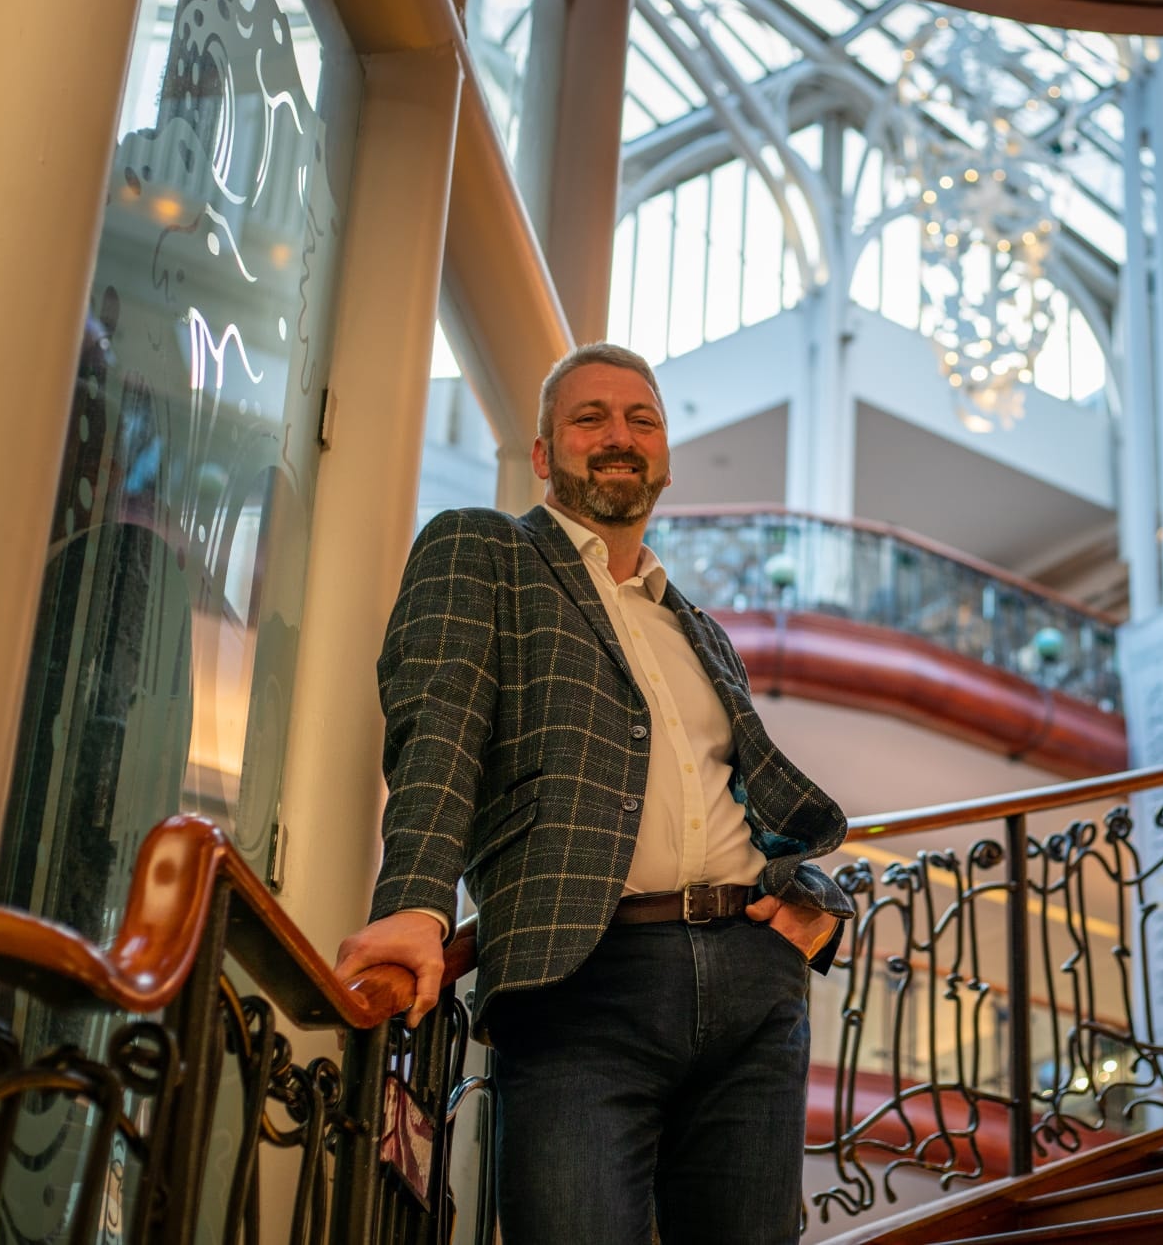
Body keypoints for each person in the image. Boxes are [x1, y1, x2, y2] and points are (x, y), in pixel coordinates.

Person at [333, 342, 853, 1244]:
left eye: (641, 419)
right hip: (581, 975)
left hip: (752, 988)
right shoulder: (484, 550)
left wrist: (811, 899)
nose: (620, 436)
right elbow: (439, 731)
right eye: (590, 418)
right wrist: (415, 902)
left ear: (662, 454)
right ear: (543, 454)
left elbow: (744, 798)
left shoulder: (699, 629)